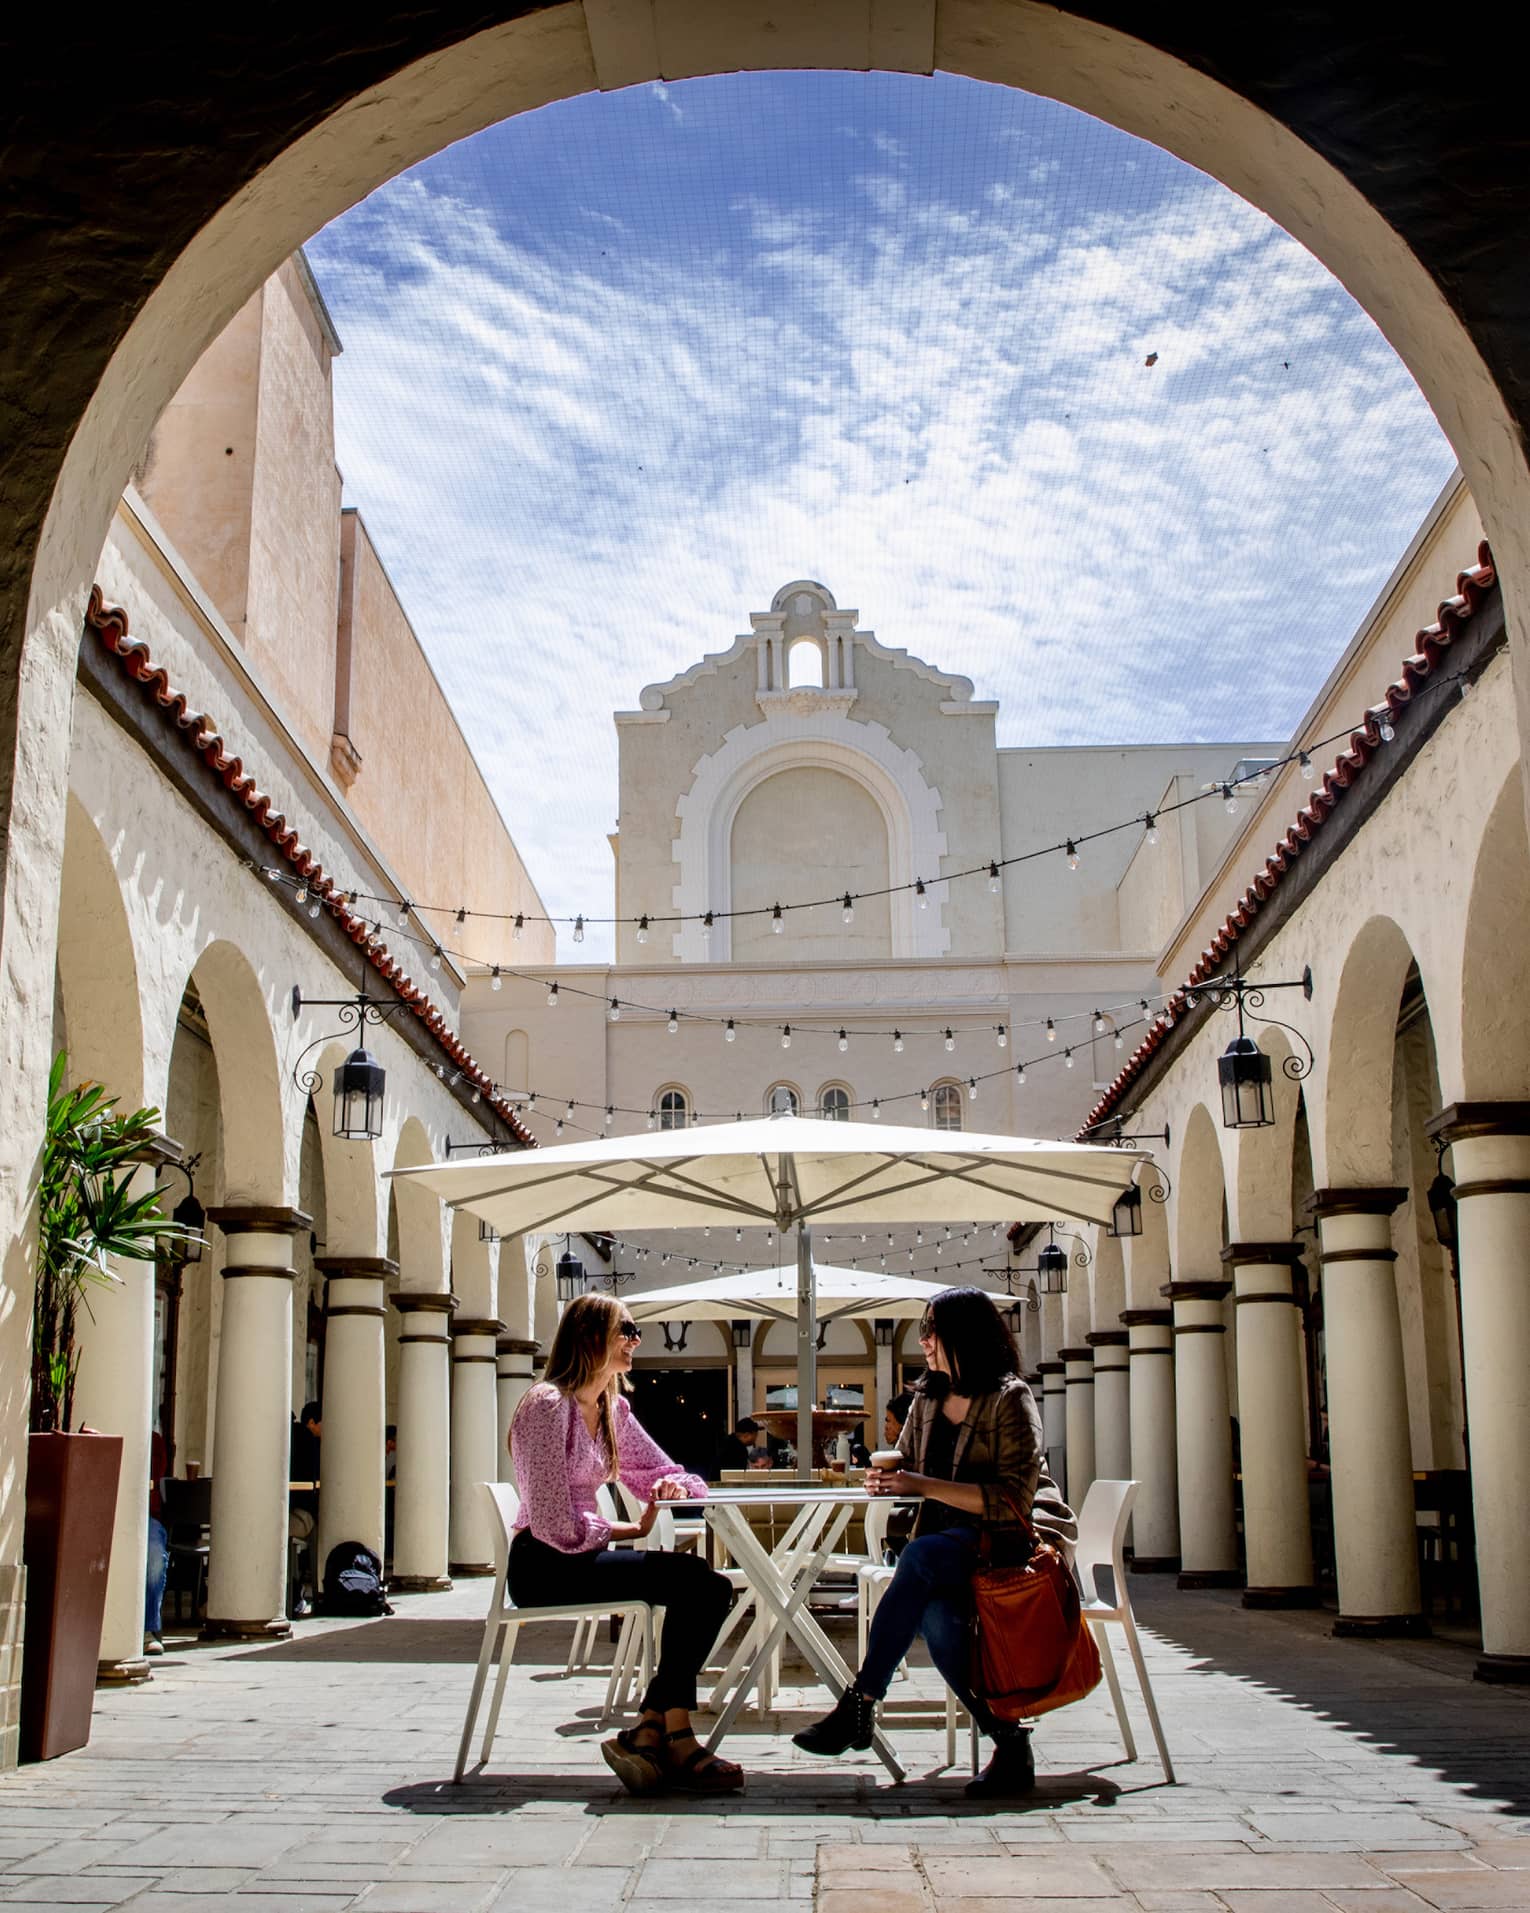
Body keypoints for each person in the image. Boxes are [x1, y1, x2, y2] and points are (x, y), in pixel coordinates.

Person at [793, 1286, 1075, 1801]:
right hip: (942, 1549)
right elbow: (907, 1467)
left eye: (931, 1330)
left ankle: (861, 1702)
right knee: (939, 1621)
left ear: (962, 1335)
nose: (922, 1341)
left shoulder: (1010, 1397)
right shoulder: (927, 1399)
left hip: (1001, 1542)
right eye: (922, 1331)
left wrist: (919, 1486)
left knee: (919, 1559)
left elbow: (1014, 1495)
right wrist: (884, 1480)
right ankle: (1012, 1747)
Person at [509, 1292, 741, 1796]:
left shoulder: (612, 1408)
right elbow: (551, 1521)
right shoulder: (547, 1406)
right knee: (701, 1586)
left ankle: (657, 1728)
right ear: (592, 1337)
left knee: (707, 1586)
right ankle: (670, 1732)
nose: (637, 1340)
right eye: (627, 1330)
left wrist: (675, 1489)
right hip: (543, 1565)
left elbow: (667, 1472)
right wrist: (628, 1531)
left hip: (582, 1556)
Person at [144, 1429, 169, 1656]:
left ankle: (149, 1628)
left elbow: (154, 1477)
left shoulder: (153, 1442)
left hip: (147, 1514)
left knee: (154, 1555)